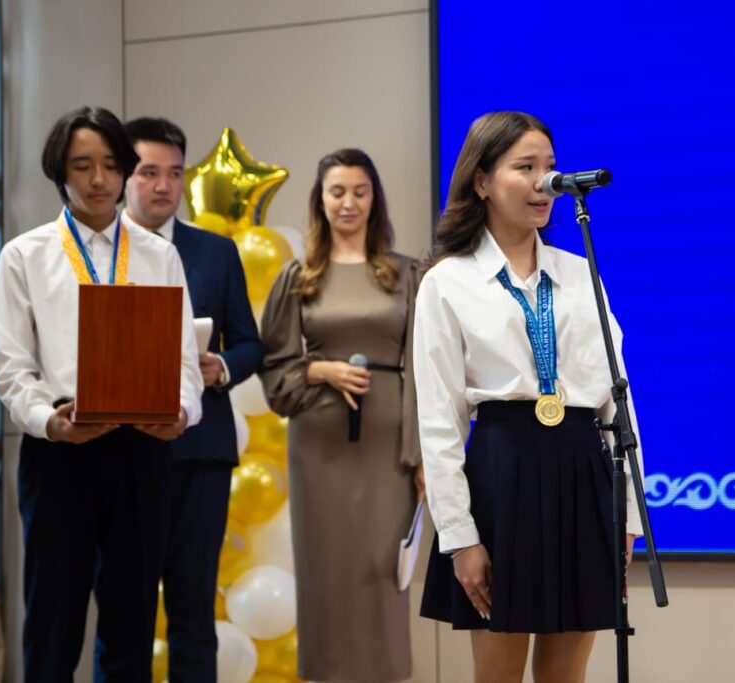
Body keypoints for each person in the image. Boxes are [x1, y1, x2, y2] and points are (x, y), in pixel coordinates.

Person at [414, 111, 645, 683]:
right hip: (503, 477)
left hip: (583, 473)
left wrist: (628, 512)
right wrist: (459, 538)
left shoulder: (579, 272)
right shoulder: (447, 282)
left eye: (550, 167)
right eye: (525, 168)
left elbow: (618, 399)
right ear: (482, 181)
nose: (545, 183)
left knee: (567, 675)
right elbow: (439, 422)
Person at [0, 105, 203, 682]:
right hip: (61, 451)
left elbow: (185, 360)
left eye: (111, 165)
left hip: (142, 449)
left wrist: (183, 412)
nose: (99, 179)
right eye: (82, 166)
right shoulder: (25, 255)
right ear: (59, 172)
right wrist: (50, 420)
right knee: (53, 624)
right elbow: (11, 368)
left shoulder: (158, 253)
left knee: (132, 626)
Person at [259, 149, 425, 682]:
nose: (348, 202)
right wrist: (320, 370)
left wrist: (420, 455)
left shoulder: (406, 274)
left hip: (388, 452)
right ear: (321, 200)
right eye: (337, 192)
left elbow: (424, 370)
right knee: (325, 574)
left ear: (374, 199)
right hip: (319, 449)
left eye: (359, 191)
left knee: (383, 576)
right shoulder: (298, 277)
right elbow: (274, 371)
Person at [122, 116, 264, 682]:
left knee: (194, 610)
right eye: (148, 172)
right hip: (120, 449)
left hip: (200, 451)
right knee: (126, 615)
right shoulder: (98, 252)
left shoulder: (215, 251)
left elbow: (251, 344)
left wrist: (220, 366)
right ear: (124, 175)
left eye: (175, 173)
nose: (164, 185)